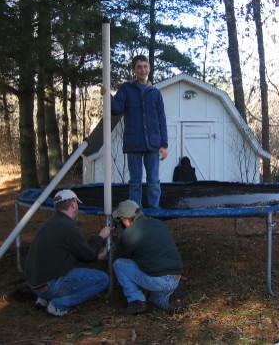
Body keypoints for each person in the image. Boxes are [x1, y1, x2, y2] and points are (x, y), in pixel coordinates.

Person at [25, 189, 111, 316]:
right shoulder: (67, 226)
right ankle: (59, 304)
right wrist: (101, 236)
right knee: (103, 280)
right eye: (76, 203)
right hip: (51, 285)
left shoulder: (50, 223)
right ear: (73, 204)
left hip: (35, 285)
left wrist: (97, 255)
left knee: (76, 265)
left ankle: (43, 298)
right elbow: (88, 254)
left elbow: (77, 252)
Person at [101, 55, 168, 209]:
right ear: (134, 70)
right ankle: (135, 212)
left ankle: (154, 212)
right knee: (135, 181)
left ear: (149, 69)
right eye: (139, 67)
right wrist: (107, 96)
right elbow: (116, 108)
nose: (142, 70)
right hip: (134, 144)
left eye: (145, 66)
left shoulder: (155, 93)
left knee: (153, 181)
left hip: (153, 144)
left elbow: (162, 120)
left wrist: (164, 144)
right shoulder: (126, 89)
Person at [112, 200, 184, 315]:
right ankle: (171, 300)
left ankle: (136, 301)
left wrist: (120, 240)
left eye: (120, 220)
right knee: (154, 297)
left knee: (119, 264)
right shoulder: (158, 223)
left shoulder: (130, 233)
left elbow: (120, 257)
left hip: (157, 280)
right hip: (176, 277)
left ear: (126, 220)